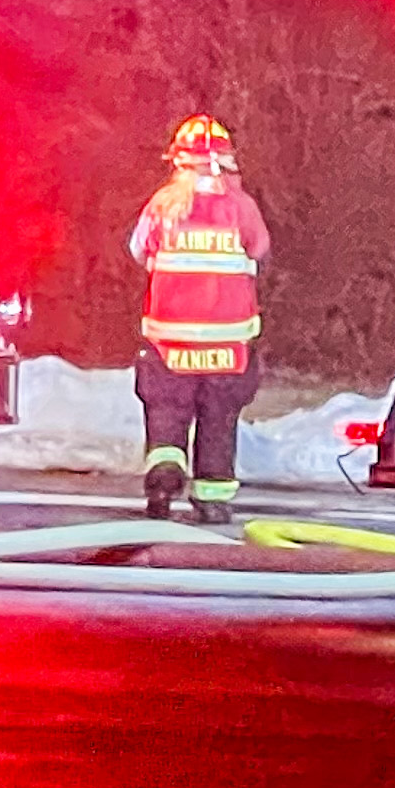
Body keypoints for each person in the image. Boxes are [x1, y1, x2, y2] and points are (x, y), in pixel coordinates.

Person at [132, 111, 270, 525]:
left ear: (178, 161)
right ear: (227, 159)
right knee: (218, 419)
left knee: (167, 411)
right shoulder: (241, 207)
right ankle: (212, 500)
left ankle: (164, 472)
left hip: (169, 340)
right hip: (228, 344)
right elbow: (259, 250)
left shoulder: (162, 206)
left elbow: (139, 250)